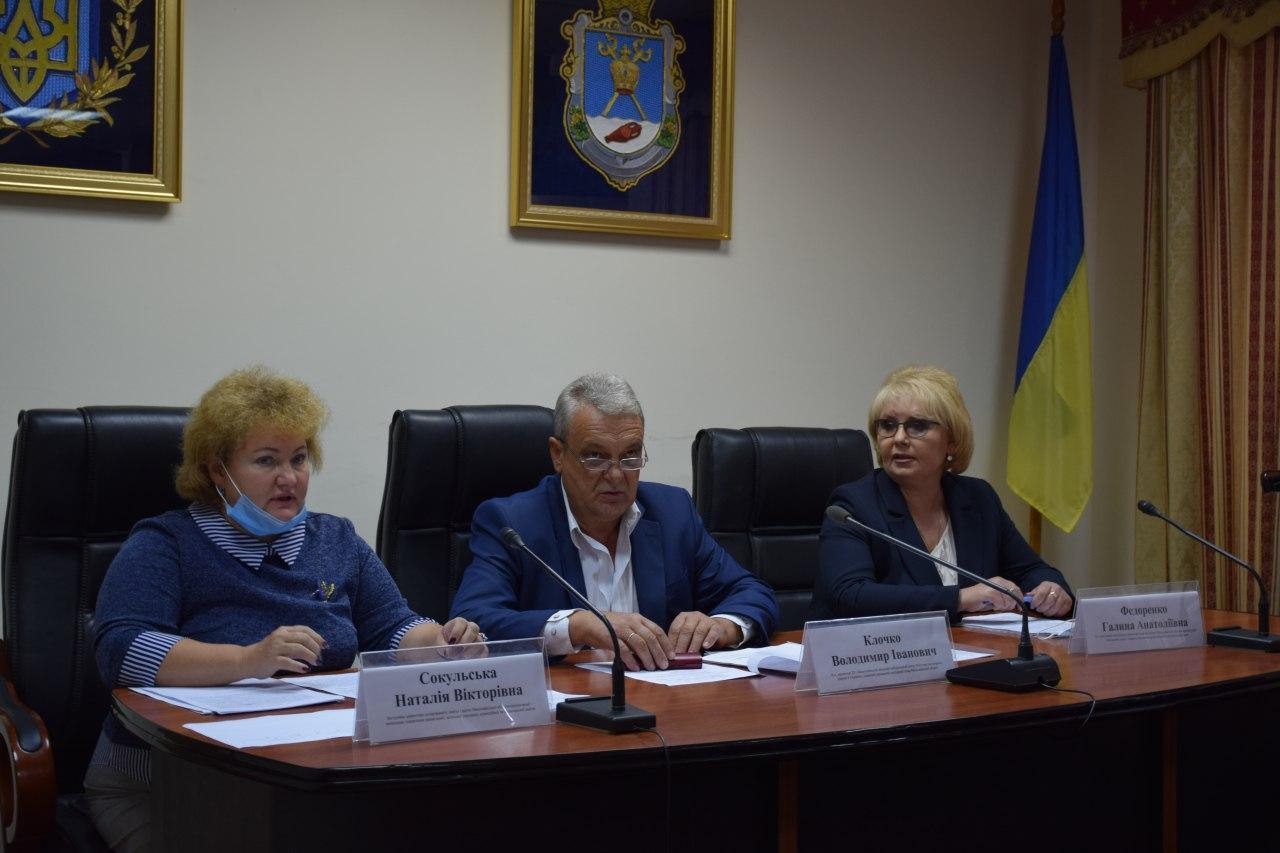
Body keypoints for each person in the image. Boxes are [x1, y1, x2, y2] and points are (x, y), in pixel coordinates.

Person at [86, 366, 479, 853]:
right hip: (168, 780)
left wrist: (441, 643)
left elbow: (392, 625)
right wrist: (248, 660)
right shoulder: (167, 543)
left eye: (299, 458)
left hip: (307, 774)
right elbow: (122, 650)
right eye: (266, 460)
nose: (288, 478)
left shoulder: (336, 539)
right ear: (217, 470)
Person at [449, 373, 778, 671]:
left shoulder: (672, 512)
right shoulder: (512, 524)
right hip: (566, 705)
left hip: (664, 701)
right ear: (558, 454)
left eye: (630, 455)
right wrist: (579, 625)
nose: (617, 475)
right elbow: (474, 622)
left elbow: (751, 592)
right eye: (596, 457)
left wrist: (721, 625)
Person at [811, 365, 1074, 622]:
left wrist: (1050, 588)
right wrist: (960, 599)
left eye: (917, 426)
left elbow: (1031, 569)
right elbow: (850, 595)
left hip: (971, 647)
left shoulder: (978, 498)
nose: (899, 438)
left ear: (952, 441)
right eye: (888, 425)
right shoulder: (853, 506)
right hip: (879, 649)